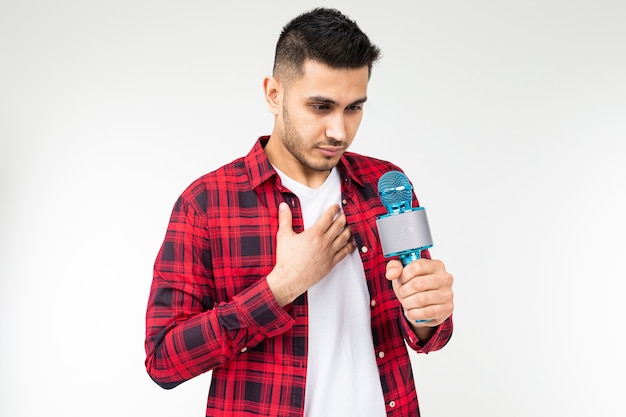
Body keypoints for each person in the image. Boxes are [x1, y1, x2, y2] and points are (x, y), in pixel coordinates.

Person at [145, 7, 454, 417]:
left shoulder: (386, 185)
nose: (339, 131)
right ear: (274, 94)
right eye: (321, 107)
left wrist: (427, 313)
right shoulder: (206, 204)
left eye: (354, 108)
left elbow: (427, 331)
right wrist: (279, 288)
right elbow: (163, 361)